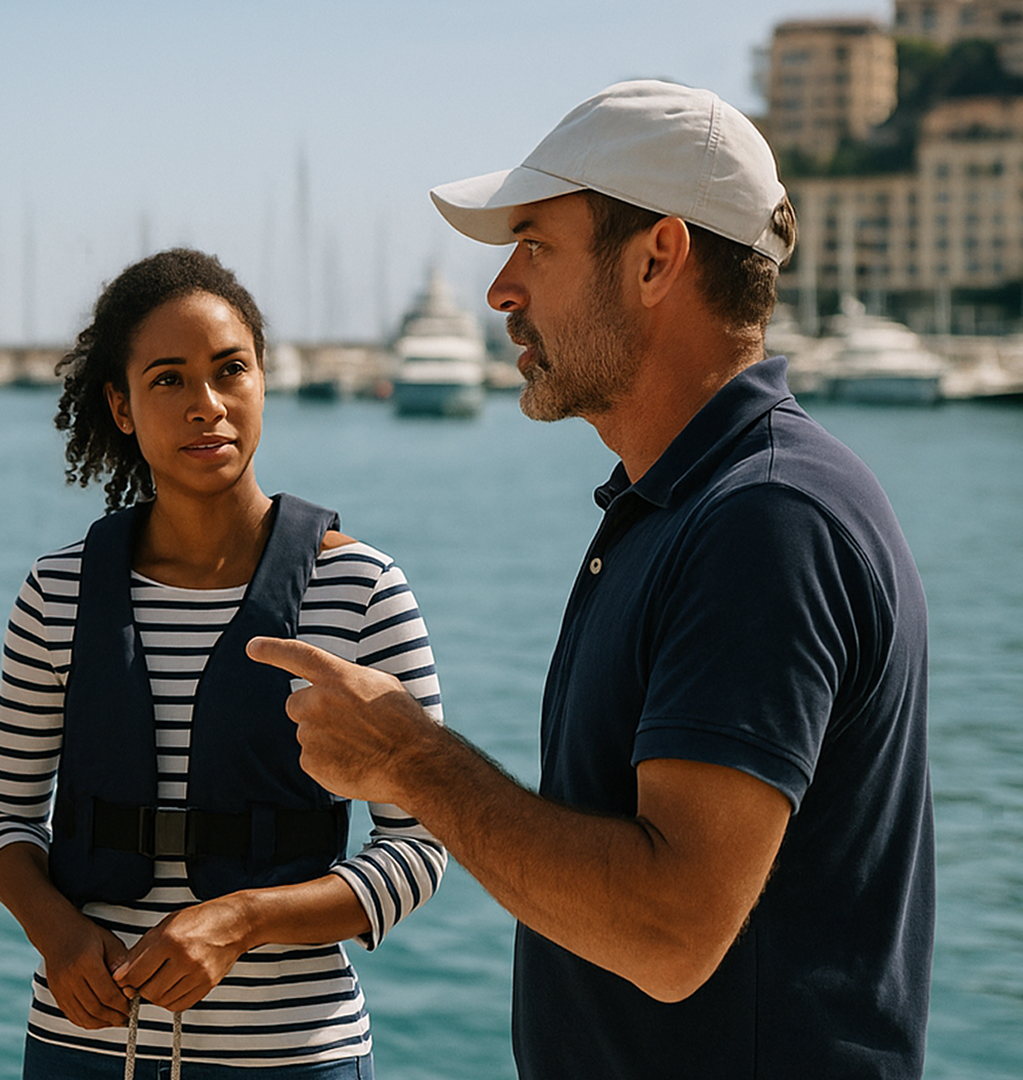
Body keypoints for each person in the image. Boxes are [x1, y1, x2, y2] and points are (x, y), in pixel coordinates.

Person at [251, 80, 934, 1079]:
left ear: (658, 257)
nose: (500, 290)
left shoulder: (767, 523)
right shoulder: (690, 506)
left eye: (536, 243)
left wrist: (410, 762)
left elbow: (669, 930)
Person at [0, 248, 448, 1079]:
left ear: (264, 380)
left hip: (297, 1054)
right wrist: (58, 933)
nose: (208, 406)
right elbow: (6, 824)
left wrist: (243, 920)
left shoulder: (362, 589)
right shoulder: (56, 593)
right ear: (120, 406)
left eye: (232, 370)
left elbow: (420, 847)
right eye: (168, 380)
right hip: (83, 1045)